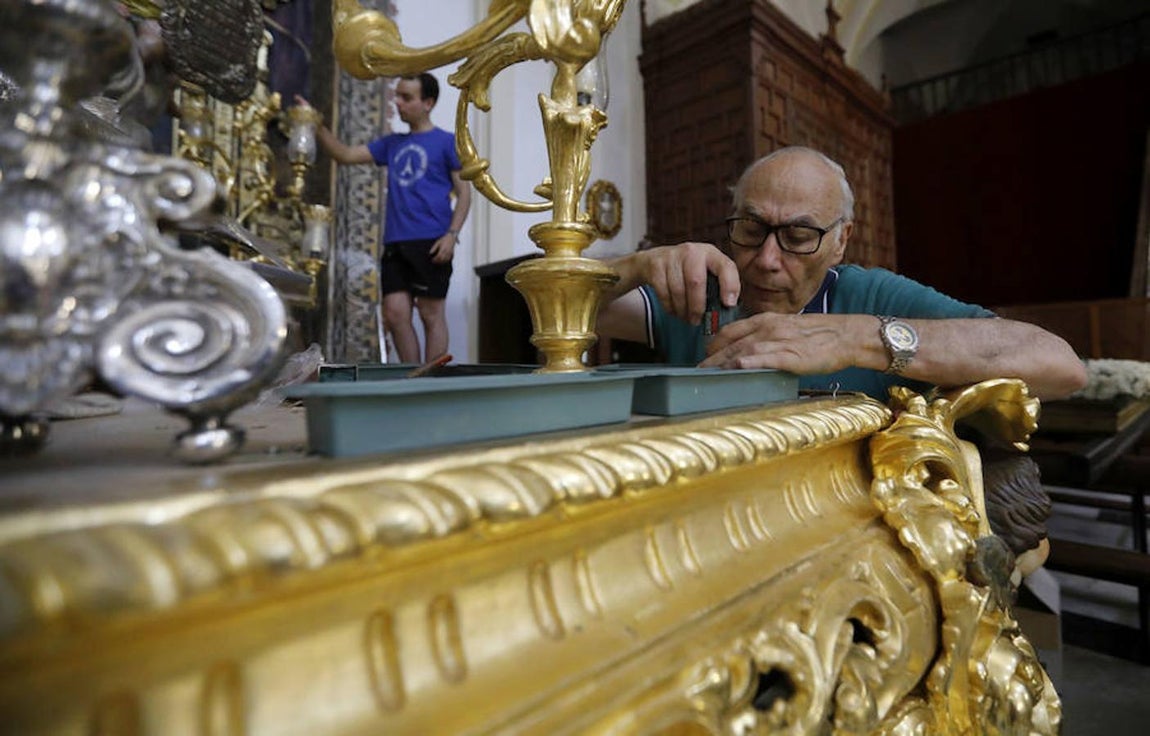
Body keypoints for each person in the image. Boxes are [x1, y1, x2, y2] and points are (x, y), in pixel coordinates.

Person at [597, 146, 1087, 401]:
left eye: (799, 235)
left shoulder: (870, 296)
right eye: (751, 228)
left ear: (841, 241)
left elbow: (1060, 365)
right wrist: (633, 266)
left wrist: (857, 340)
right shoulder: (698, 292)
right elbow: (542, 304)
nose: (767, 259)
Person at [299, 72, 471, 363]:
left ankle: (432, 387)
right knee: (394, 313)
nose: (399, 103)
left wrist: (451, 236)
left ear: (427, 102)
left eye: (407, 97)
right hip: (395, 243)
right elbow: (345, 154)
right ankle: (412, 382)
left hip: (432, 240)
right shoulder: (392, 144)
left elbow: (464, 194)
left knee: (431, 314)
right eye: (397, 96)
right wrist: (314, 124)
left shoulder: (446, 142)